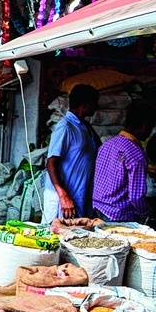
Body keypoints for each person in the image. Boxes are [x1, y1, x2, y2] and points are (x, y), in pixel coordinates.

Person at [43, 84, 100, 221]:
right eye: (95, 103)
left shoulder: (86, 127)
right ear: (85, 104)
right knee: (58, 231)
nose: (97, 107)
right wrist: (63, 197)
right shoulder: (65, 127)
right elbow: (51, 163)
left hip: (80, 195)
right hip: (65, 200)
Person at [92, 101, 155, 222]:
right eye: (151, 127)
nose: (149, 133)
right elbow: (136, 198)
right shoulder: (136, 154)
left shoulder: (107, 144)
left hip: (98, 210)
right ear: (144, 126)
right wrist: (148, 212)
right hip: (119, 216)